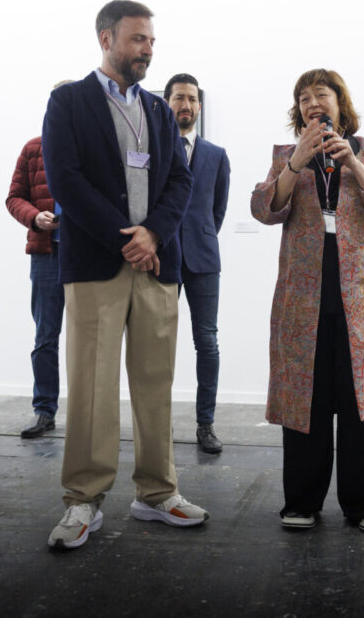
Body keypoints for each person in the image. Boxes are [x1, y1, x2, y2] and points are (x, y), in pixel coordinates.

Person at [42, 0, 206, 551]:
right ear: (106, 38)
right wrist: (126, 239)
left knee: (156, 382)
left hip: (156, 266)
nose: (148, 50)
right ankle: (83, 499)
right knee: (92, 385)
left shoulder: (158, 109)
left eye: (152, 41)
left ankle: (157, 493)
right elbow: (65, 180)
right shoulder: (69, 101)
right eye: (138, 39)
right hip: (97, 264)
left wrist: (153, 234)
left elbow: (180, 181)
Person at [251, 69, 364, 533]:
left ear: (340, 102)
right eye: (303, 98)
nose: (311, 103)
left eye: (320, 94)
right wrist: (295, 164)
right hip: (304, 299)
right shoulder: (287, 155)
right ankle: (301, 500)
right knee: (307, 401)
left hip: (363, 299)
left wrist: (354, 164)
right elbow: (263, 209)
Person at [163, 73, 231, 454]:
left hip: (203, 259)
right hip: (163, 257)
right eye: (179, 98)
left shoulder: (216, 155)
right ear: (167, 103)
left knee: (206, 342)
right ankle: (158, 425)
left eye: (191, 98)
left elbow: (217, 210)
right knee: (159, 343)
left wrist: (199, 236)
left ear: (199, 106)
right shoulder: (155, 149)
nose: (185, 105)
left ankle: (206, 424)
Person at [6, 83, 72, 439]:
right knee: (46, 336)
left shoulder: (94, 147)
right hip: (47, 255)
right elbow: (14, 197)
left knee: (89, 338)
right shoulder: (33, 148)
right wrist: (34, 217)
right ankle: (44, 410)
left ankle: (88, 414)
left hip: (86, 257)